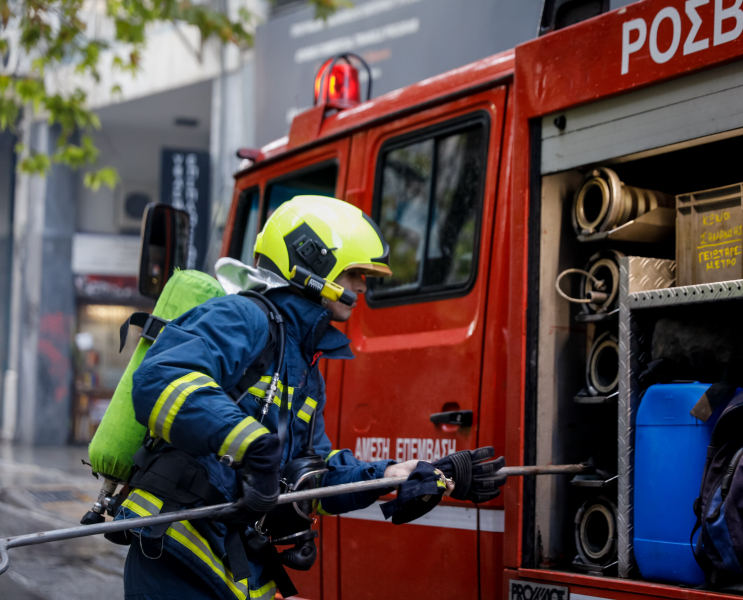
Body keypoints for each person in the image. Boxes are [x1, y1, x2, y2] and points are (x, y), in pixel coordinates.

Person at [115, 195, 506, 600]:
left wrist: (399, 474)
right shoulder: (242, 317)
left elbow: (311, 479)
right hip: (177, 554)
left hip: (230, 565)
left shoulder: (303, 364)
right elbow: (159, 379)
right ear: (313, 263)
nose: (361, 286)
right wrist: (251, 443)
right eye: (354, 272)